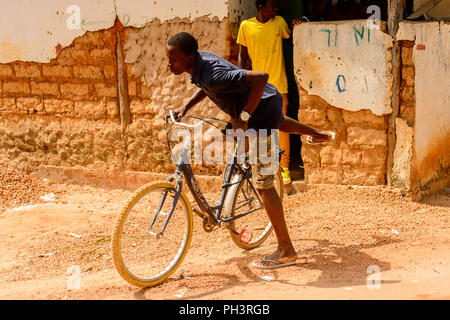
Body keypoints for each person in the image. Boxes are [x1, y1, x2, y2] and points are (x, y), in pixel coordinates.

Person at [166, 32, 332, 269]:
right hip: (261, 105)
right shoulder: (200, 66)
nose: (169, 64)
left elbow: (261, 77)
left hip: (259, 109)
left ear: (190, 57)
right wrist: (185, 107)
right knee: (276, 122)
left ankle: (286, 249)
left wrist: (244, 116)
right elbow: (207, 87)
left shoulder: (213, 72)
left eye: (173, 60)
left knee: (263, 183)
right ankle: (319, 134)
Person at [237, 0, 292, 185]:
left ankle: (284, 169)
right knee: (258, 126)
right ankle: (259, 168)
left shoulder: (279, 23)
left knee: (282, 124)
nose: (276, 9)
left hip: (279, 83)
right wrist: (240, 82)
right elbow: (242, 57)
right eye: (272, 6)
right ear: (261, 7)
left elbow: (292, 39)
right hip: (257, 87)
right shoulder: (246, 26)